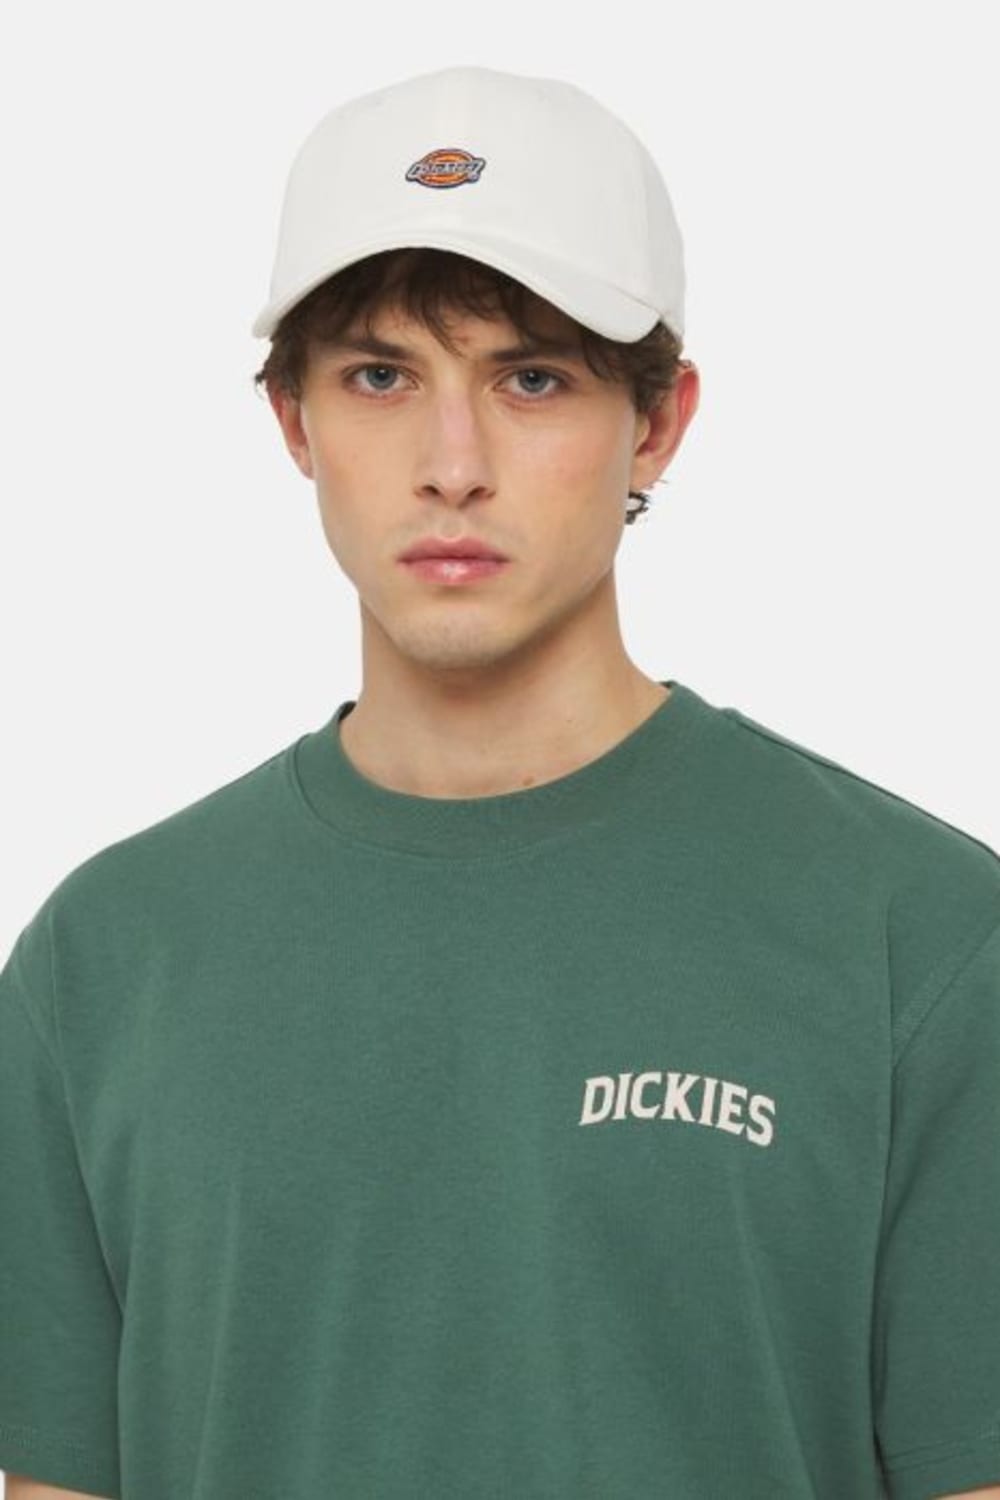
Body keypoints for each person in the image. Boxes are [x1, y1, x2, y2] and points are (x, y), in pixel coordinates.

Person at [1, 63, 998, 1500]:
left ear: (656, 422)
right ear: (293, 422)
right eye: (380, 377)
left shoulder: (922, 936)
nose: (451, 466)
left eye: (532, 378)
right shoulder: (104, 960)